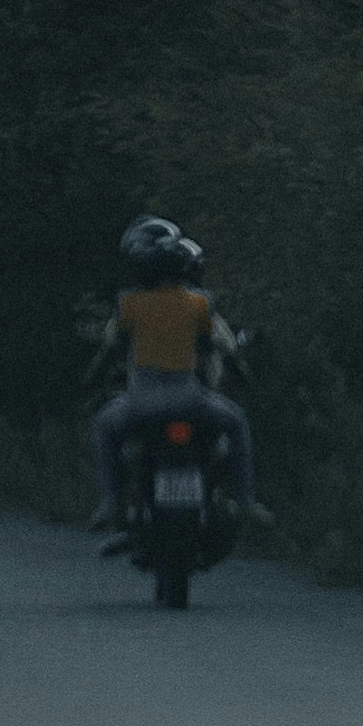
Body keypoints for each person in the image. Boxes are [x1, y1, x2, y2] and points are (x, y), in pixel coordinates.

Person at [90, 214, 255, 537]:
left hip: (141, 402)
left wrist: (90, 379)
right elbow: (215, 347)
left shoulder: (130, 304)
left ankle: (111, 503)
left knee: (103, 426)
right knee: (237, 422)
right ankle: (245, 501)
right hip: (191, 399)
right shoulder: (198, 304)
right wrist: (243, 376)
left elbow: (112, 349)